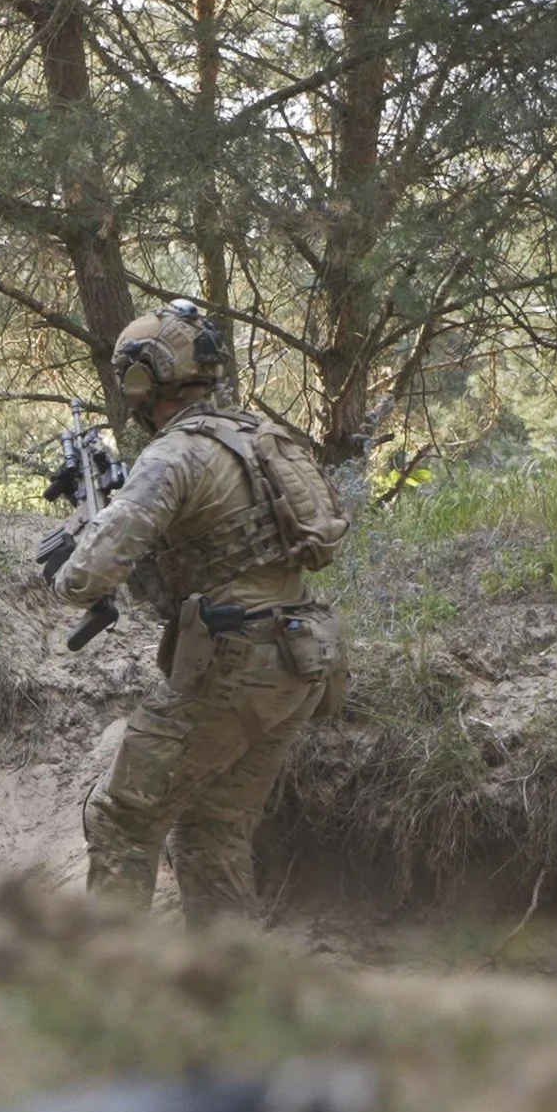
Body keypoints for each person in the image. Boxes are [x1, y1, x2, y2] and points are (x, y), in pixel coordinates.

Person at [41, 300, 350, 926]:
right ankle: (225, 977)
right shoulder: (254, 436)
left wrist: (67, 571)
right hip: (301, 658)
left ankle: (106, 976)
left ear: (143, 378)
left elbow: (87, 576)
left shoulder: (174, 454)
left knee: (121, 819)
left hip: (231, 667)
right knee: (214, 829)